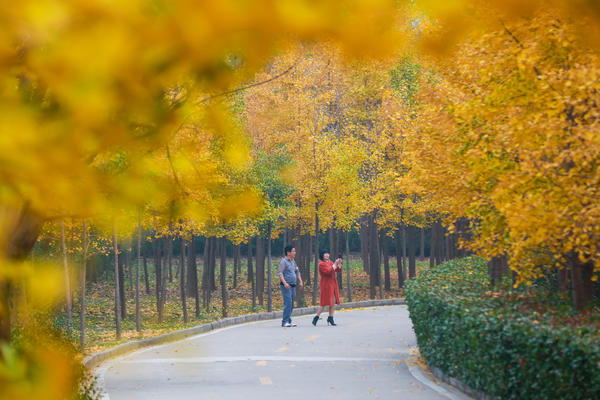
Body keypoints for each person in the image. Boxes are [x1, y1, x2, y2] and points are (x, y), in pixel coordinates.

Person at [312, 251, 341, 326]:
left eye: (328, 254)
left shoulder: (330, 262)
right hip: (326, 284)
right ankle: (316, 317)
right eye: (325, 254)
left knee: (333, 301)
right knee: (324, 302)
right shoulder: (321, 264)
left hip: (332, 283)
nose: (327, 255)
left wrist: (339, 264)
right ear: (322, 255)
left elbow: (337, 270)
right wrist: (335, 264)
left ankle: (330, 317)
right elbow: (328, 271)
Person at [278, 245, 303, 327]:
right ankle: (284, 322)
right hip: (286, 286)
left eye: (295, 251)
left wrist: (300, 281)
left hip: (293, 285)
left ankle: (288, 320)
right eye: (293, 251)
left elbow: (297, 271)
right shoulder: (283, 261)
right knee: (288, 303)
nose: (295, 252)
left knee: (291, 304)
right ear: (288, 253)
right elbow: (280, 273)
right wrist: (285, 283)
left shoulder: (293, 261)